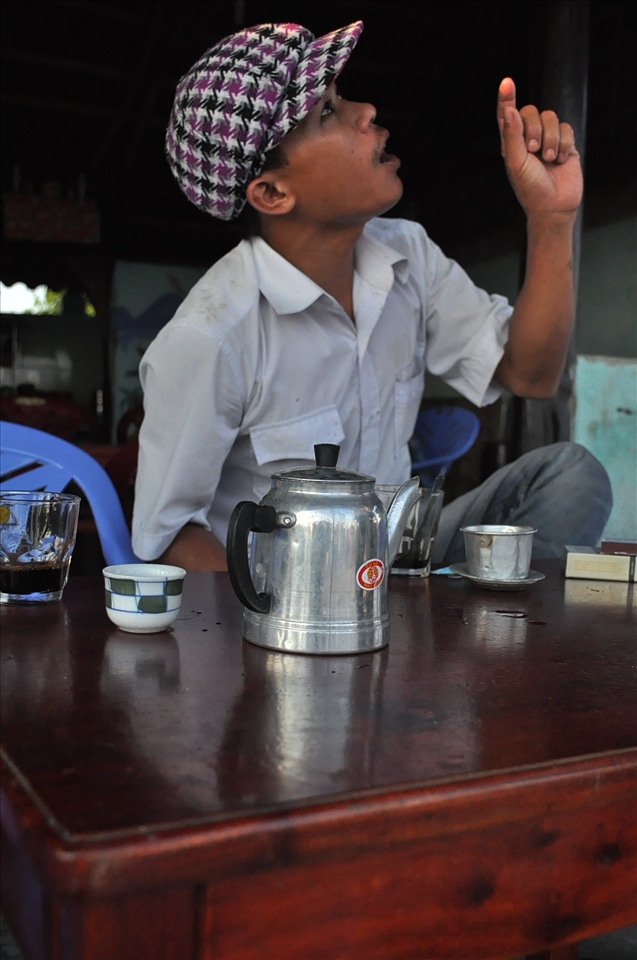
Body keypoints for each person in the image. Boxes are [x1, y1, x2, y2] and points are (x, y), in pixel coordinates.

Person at [132, 20, 611, 571]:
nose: (366, 112)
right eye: (328, 113)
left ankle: (482, 630)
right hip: (293, 600)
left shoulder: (408, 256)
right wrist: (285, 609)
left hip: (395, 561)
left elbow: (531, 374)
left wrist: (551, 218)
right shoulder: (211, 337)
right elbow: (167, 538)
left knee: (571, 475)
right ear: (272, 193)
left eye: (341, 98)